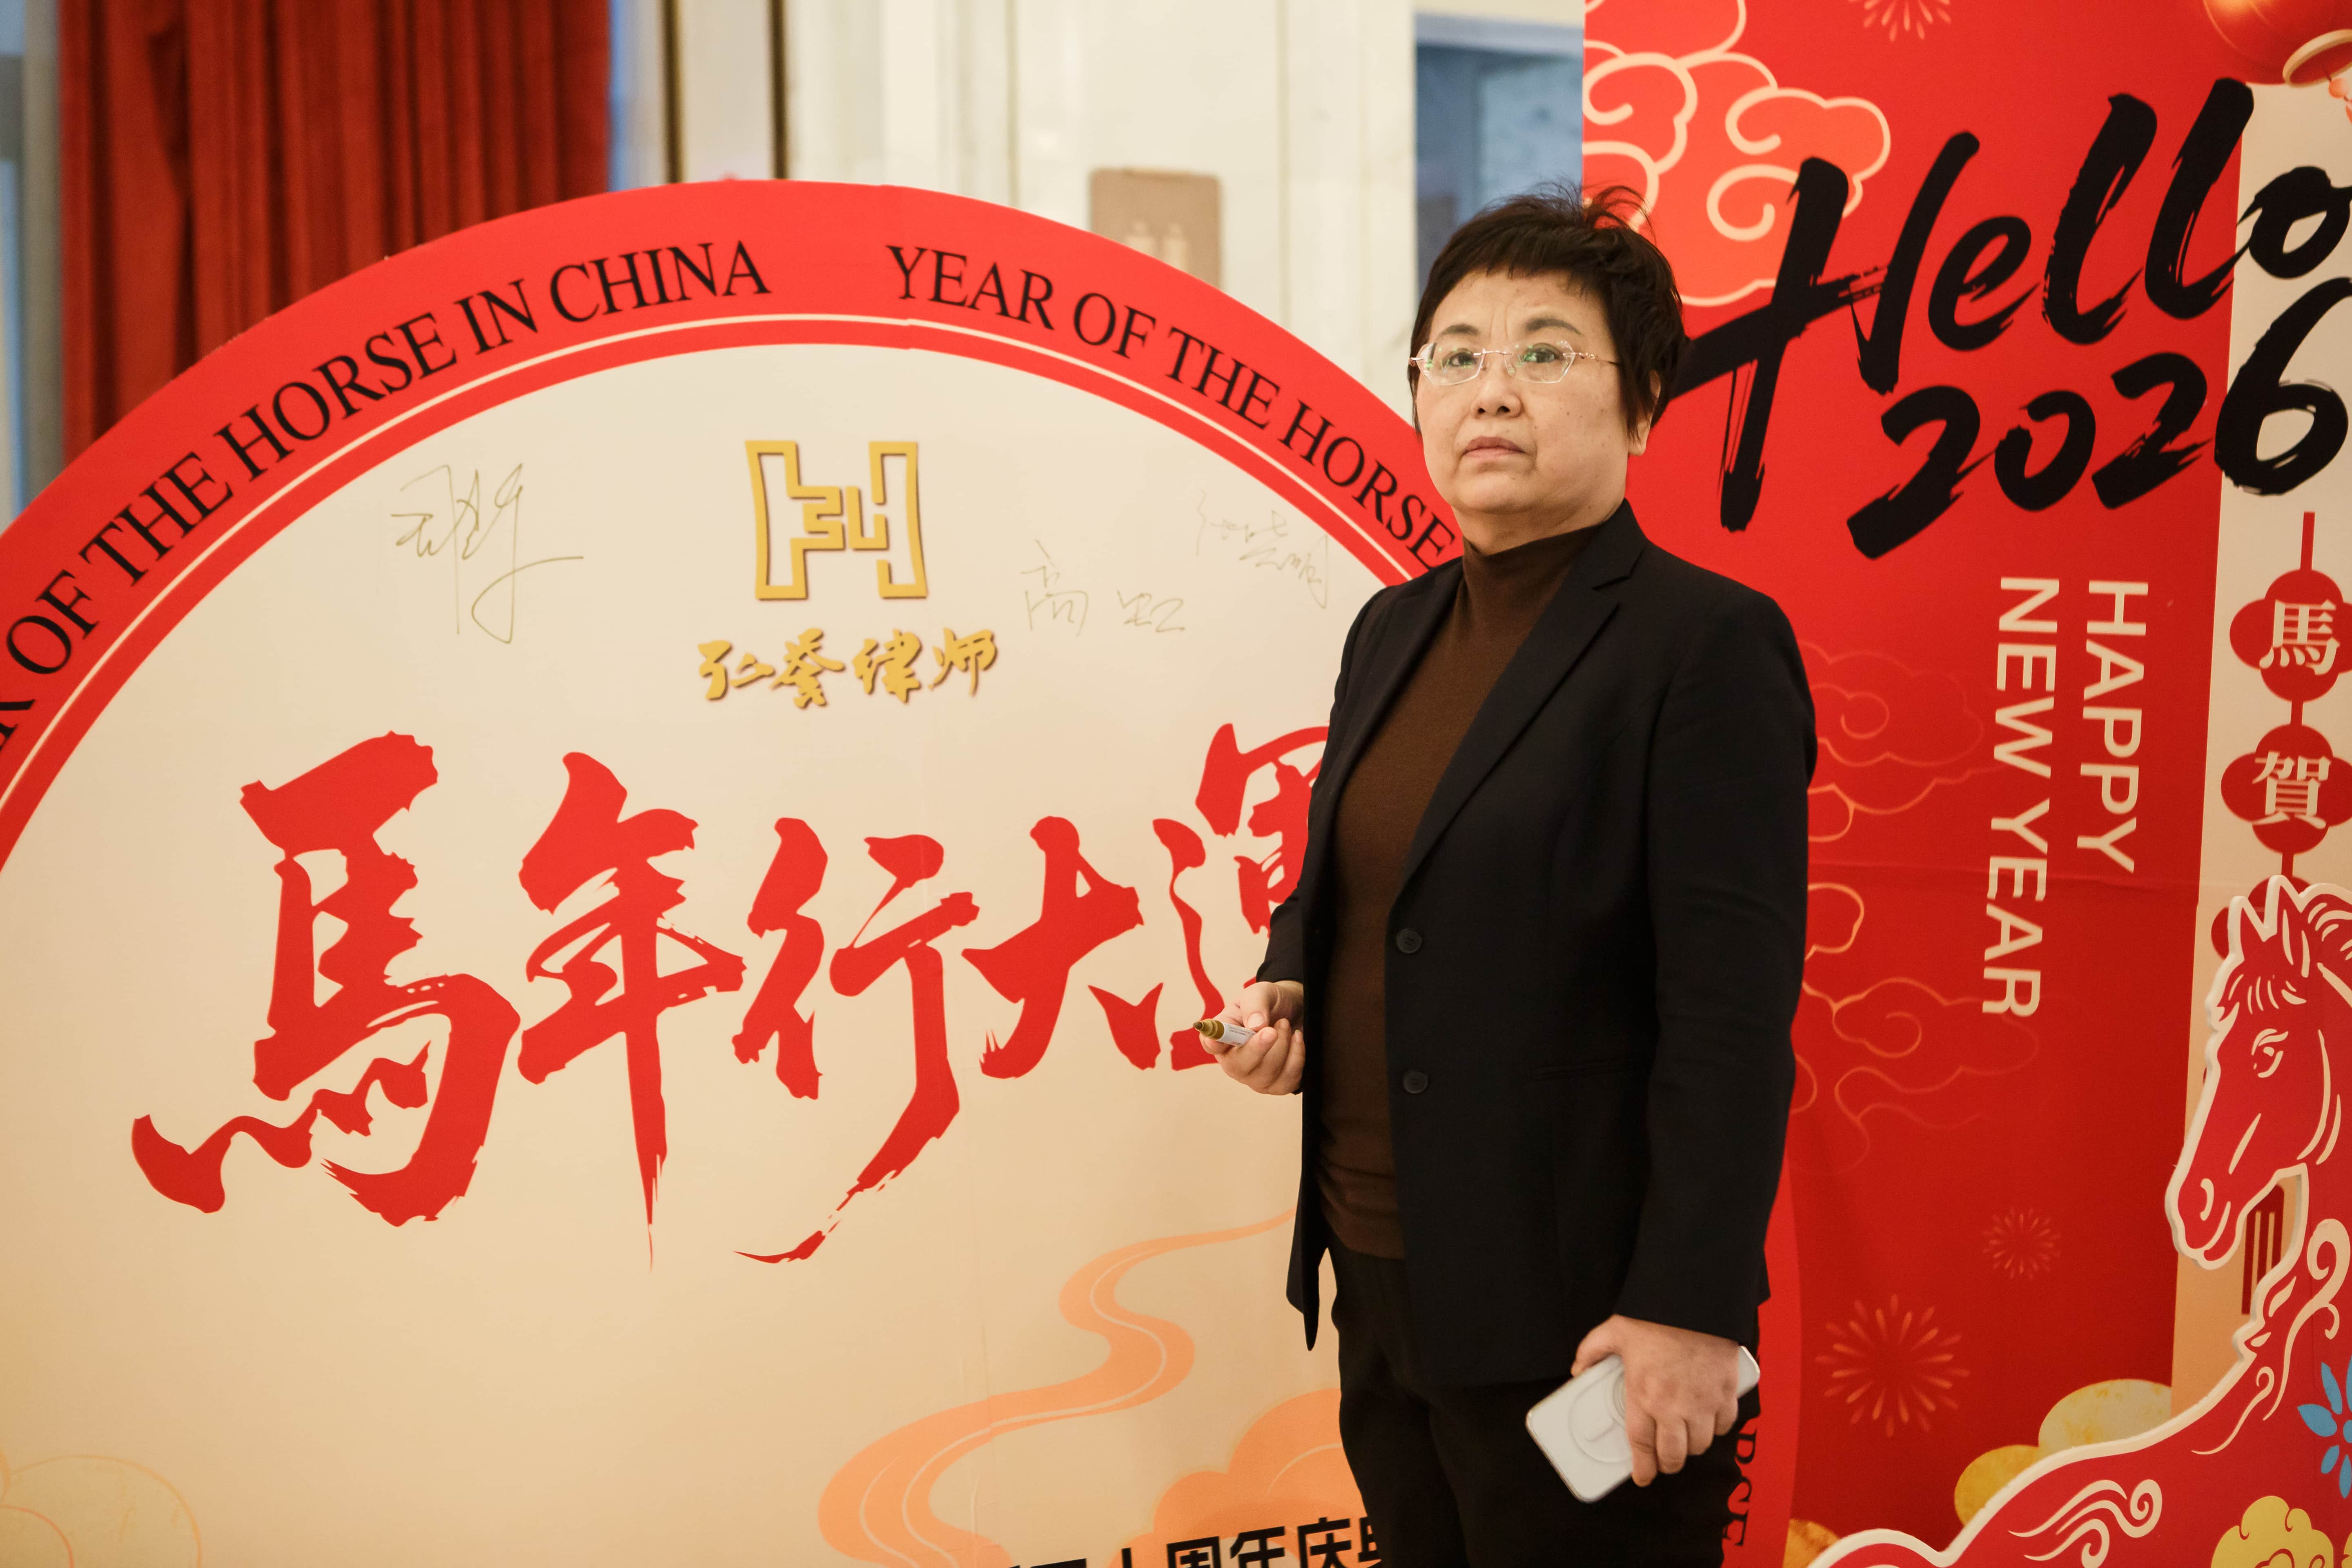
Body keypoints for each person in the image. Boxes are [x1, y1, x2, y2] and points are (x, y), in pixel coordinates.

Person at [1201, 187, 1813, 1567]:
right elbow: (1363, 877)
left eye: (1545, 351)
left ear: (1643, 406)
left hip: (1584, 1314)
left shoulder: (1704, 646)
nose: (1491, 389)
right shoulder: (1393, 628)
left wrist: (1688, 1307)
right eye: (1457, 354)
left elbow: (1731, 1015)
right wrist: (1283, 983)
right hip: (1381, 1266)